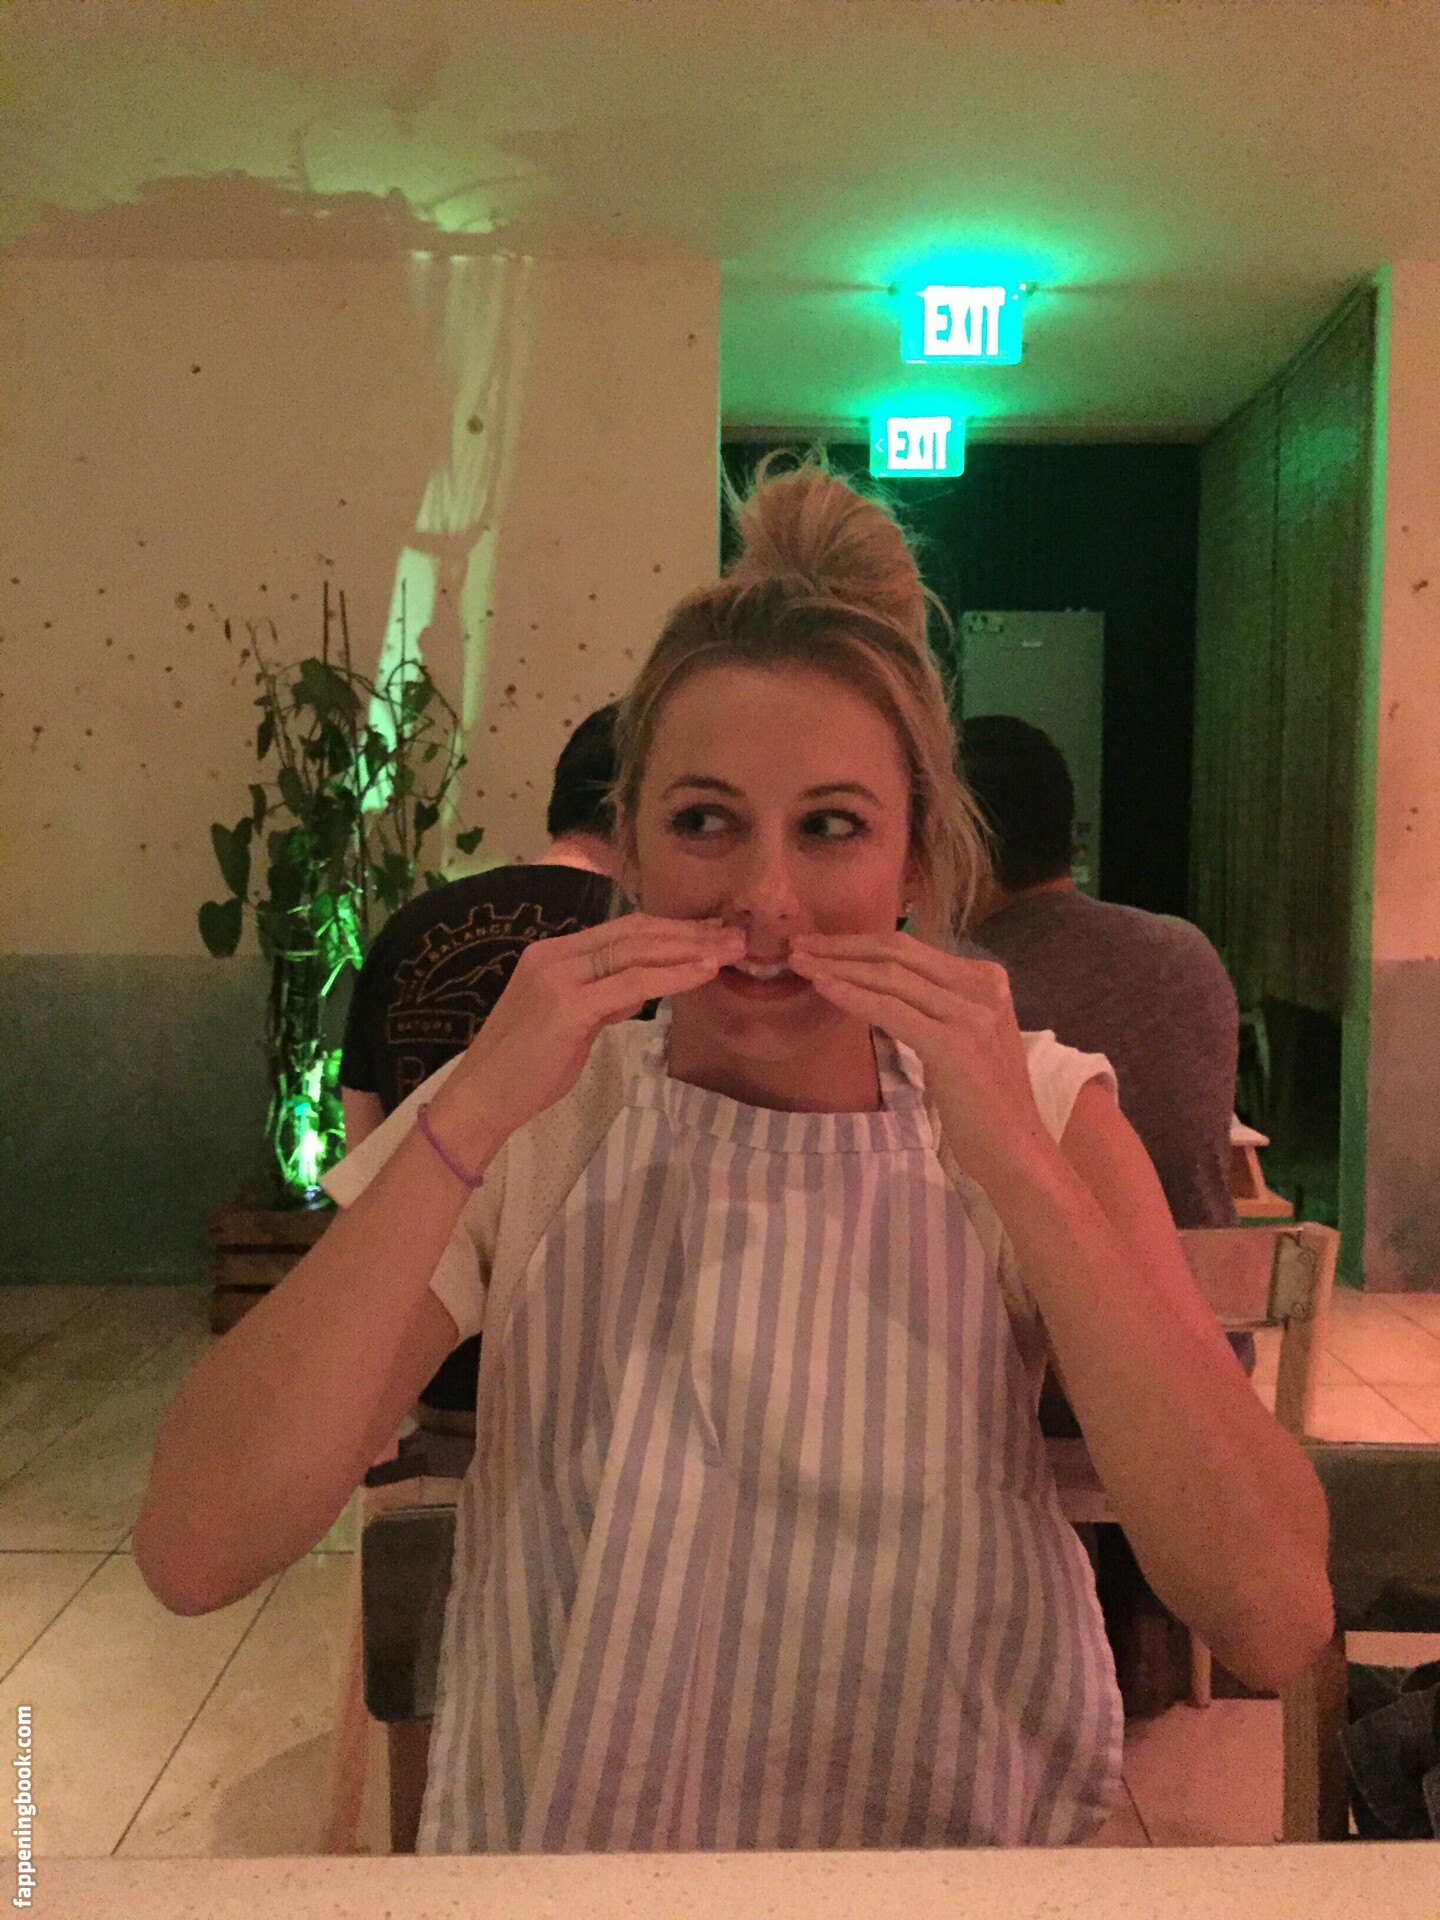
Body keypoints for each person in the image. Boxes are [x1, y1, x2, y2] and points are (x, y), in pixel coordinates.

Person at [135, 459, 1330, 1854]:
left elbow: (1270, 1610)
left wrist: (1018, 1162)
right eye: (706, 822)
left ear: (913, 858)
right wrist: (465, 1116)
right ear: (630, 848)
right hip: (572, 1864)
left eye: (831, 828)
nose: (767, 902)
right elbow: (196, 1545)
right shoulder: (538, 1113)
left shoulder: (1046, 1111)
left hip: (948, 1871)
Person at [339, 702, 622, 1418]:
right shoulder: (641, 945)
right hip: (586, 1375)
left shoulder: (408, 928)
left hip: (419, 1369)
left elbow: (364, 1145)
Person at [959, 715, 1239, 1232]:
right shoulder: (1185, 950)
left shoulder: (965, 987)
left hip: (1065, 1280)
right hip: (1213, 1270)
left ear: (957, 845)